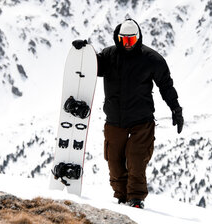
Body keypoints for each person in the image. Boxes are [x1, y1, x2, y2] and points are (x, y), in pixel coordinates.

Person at [72, 18, 184, 209]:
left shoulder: (151, 59)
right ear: (119, 38)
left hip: (142, 121)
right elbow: (95, 67)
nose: (127, 45)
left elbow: (166, 85)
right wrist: (84, 52)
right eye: (124, 40)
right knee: (114, 162)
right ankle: (122, 198)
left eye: (131, 41)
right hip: (115, 121)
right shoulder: (110, 55)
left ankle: (136, 199)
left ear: (138, 38)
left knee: (136, 159)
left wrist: (176, 109)